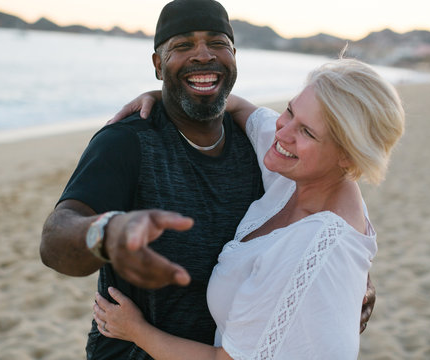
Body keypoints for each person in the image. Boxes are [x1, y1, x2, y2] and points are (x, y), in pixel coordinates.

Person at [40, 0, 375, 358]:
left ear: (234, 57)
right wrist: (105, 233)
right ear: (158, 65)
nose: (203, 55)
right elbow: (55, 238)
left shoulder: (265, 150)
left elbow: (325, 205)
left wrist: (348, 280)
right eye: (183, 45)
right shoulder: (128, 141)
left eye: (217, 43)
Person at [93, 58, 405, 359]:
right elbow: (242, 108)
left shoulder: (310, 246)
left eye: (307, 132)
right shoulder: (305, 176)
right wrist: (164, 96)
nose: (282, 132)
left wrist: (135, 330)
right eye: (290, 110)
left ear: (349, 156)